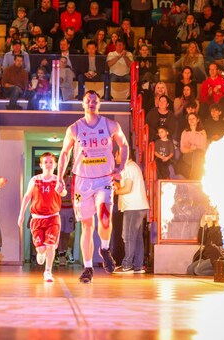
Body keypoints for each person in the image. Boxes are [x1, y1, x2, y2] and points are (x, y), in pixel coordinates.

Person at [55, 91, 129, 283]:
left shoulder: (111, 125)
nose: (91, 103)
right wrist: (60, 178)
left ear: (99, 104)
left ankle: (104, 248)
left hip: (104, 179)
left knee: (105, 218)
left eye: (95, 101)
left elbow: (124, 145)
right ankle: (88, 267)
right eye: (88, 101)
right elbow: (64, 153)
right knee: (87, 227)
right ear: (83, 104)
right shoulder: (74, 128)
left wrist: (121, 167)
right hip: (82, 182)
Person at [18, 153, 63, 282]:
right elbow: (27, 196)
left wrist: (63, 190)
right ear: (41, 165)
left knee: (50, 245)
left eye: (51, 162)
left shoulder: (57, 180)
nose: (48, 164)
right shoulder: (35, 179)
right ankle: (40, 252)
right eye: (46, 162)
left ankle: (48, 271)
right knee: (42, 248)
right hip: (37, 218)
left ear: (55, 165)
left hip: (53, 217)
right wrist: (21, 213)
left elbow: (63, 192)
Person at [112, 150, 149, 274]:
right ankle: (138, 265)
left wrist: (114, 192)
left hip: (133, 207)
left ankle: (127, 265)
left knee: (128, 236)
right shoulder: (133, 167)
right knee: (136, 237)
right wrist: (116, 184)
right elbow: (126, 186)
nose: (115, 157)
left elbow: (127, 189)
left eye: (116, 155)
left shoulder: (128, 168)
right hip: (138, 206)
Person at [178, 112, 207, 179]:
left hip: (199, 154)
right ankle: (195, 179)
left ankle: (192, 178)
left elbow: (202, 147)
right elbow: (182, 149)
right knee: (197, 158)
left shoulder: (202, 132)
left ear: (197, 120)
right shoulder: (185, 132)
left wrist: (191, 146)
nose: (191, 120)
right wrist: (192, 149)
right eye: (189, 119)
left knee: (197, 155)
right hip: (188, 155)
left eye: (193, 118)